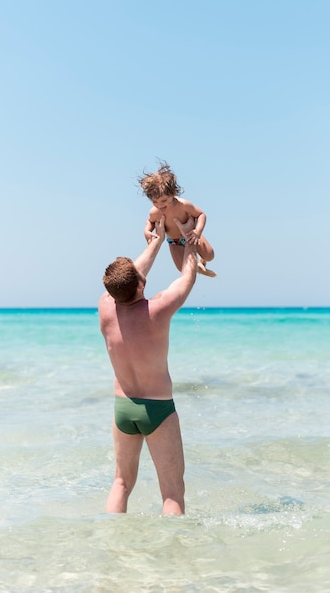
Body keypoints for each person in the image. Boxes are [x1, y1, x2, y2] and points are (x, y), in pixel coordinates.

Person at [99, 214, 198, 515]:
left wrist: (155, 242)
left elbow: (126, 283)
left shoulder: (105, 308)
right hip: (157, 408)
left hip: (123, 407)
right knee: (172, 494)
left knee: (120, 483)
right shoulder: (158, 310)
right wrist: (188, 241)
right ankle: (174, 557)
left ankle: (112, 545)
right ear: (140, 286)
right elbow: (187, 277)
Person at [138, 159, 216, 277]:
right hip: (174, 241)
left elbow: (201, 215)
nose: (160, 205)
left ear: (173, 193)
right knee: (182, 268)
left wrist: (197, 231)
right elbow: (150, 221)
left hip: (191, 235)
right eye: (155, 202)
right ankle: (199, 269)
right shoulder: (155, 212)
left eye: (164, 200)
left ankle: (203, 261)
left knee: (210, 256)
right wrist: (147, 231)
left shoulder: (183, 205)